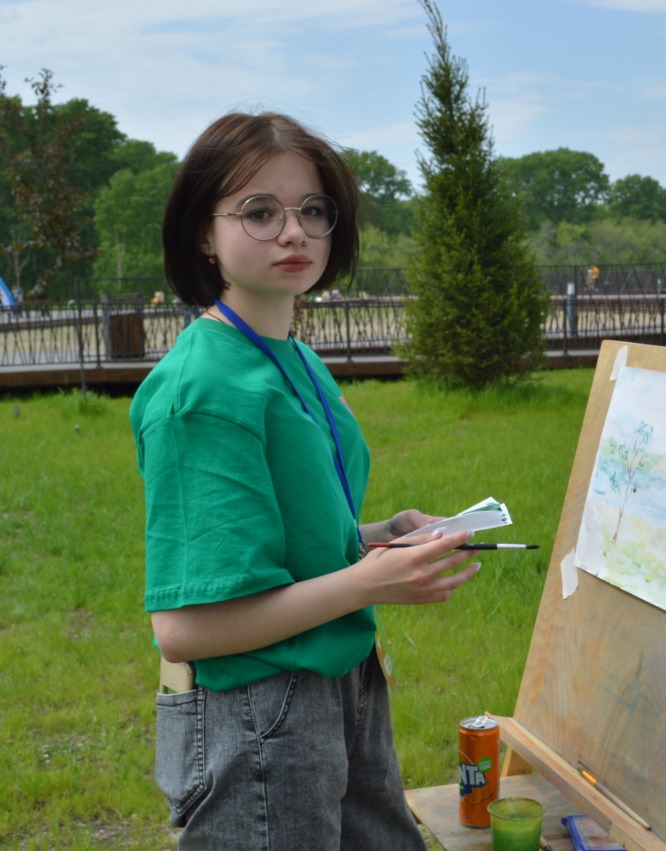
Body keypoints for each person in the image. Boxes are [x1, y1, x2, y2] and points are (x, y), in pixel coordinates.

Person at [130, 111, 482, 850]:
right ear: (204, 234)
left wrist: (379, 535)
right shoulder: (202, 390)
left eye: (312, 210)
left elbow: (283, 537)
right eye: (259, 212)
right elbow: (186, 626)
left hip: (342, 677)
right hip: (261, 708)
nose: (293, 232)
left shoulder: (289, 354)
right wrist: (367, 583)